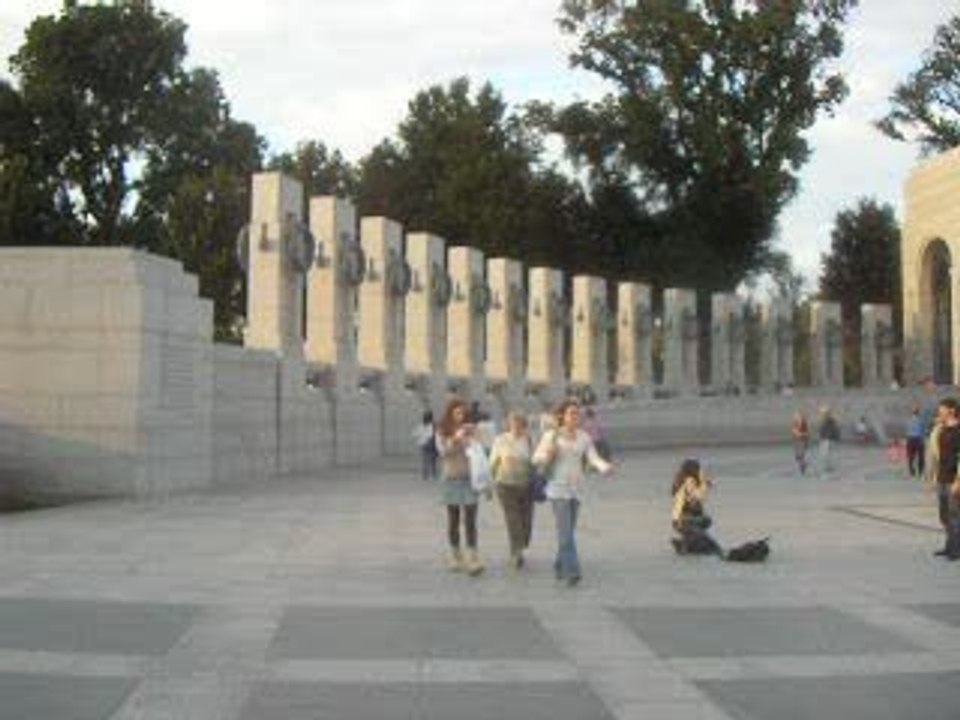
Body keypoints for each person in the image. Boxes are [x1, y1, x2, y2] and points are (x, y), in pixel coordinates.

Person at [532, 399, 613, 587]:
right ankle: (572, 571)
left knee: (568, 532)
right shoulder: (551, 436)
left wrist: (604, 467)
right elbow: (536, 458)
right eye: (571, 413)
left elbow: (593, 458)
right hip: (557, 489)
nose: (575, 417)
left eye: (577, 413)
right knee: (566, 533)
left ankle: (560, 564)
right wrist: (548, 453)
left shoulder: (583, 437)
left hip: (576, 490)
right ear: (562, 416)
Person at [435, 398, 485, 576]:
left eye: (463, 413)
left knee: (471, 519)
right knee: (453, 519)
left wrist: (473, 437)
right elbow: (442, 452)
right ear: (450, 414)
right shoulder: (442, 430)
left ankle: (473, 557)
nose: (460, 416)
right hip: (452, 478)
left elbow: (480, 450)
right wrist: (455, 439)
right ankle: (456, 555)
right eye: (457, 413)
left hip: (470, 479)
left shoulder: (471, 430)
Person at [489, 412, 534, 570]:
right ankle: (516, 552)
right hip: (505, 485)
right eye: (513, 423)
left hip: (526, 485)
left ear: (524, 425)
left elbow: (535, 460)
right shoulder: (500, 440)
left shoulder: (529, 440)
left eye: (519, 424)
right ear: (509, 424)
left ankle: (521, 544)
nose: (516, 426)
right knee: (512, 519)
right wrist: (490, 483)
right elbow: (493, 462)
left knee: (526, 521)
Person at [670, 458, 722, 555]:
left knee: (705, 521)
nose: (701, 470)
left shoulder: (682, 481)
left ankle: (686, 542)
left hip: (679, 520)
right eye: (699, 469)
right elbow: (698, 497)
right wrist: (704, 483)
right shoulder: (689, 481)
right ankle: (687, 542)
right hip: (684, 519)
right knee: (706, 522)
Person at [930, 397, 960, 560]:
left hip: (954, 478)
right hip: (941, 477)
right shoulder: (940, 429)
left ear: (951, 410)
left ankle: (956, 549)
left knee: (955, 515)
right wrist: (934, 476)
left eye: (942, 409)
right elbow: (935, 452)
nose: (939, 411)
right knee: (944, 515)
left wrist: (958, 480)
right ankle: (949, 545)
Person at [413, 410, 438, 482]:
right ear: (431, 417)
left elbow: (414, 434)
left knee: (424, 460)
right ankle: (433, 475)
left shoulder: (420, 425)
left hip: (423, 444)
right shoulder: (433, 425)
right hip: (430, 444)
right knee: (432, 460)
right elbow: (434, 435)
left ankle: (425, 475)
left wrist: (420, 439)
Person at [817, 406, 841, 477]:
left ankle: (828, 467)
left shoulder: (829, 421)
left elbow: (830, 430)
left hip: (828, 440)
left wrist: (825, 437)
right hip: (827, 439)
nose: (821, 415)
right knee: (827, 454)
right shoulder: (829, 421)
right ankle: (828, 467)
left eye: (822, 413)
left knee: (825, 454)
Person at [905, 405, 926, 479]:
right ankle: (920, 471)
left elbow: (907, 431)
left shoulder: (908, 420)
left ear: (912, 413)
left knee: (910, 456)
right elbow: (923, 431)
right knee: (921, 456)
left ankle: (911, 471)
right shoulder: (921, 420)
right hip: (918, 439)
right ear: (918, 413)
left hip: (910, 439)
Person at [791, 411, 810, 475]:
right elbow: (794, 431)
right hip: (797, 441)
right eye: (796, 416)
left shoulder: (804, 423)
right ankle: (803, 465)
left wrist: (802, 434)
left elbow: (807, 433)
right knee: (797, 456)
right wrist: (796, 433)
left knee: (801, 455)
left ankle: (803, 467)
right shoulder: (795, 423)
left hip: (802, 441)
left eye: (798, 416)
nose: (796, 417)